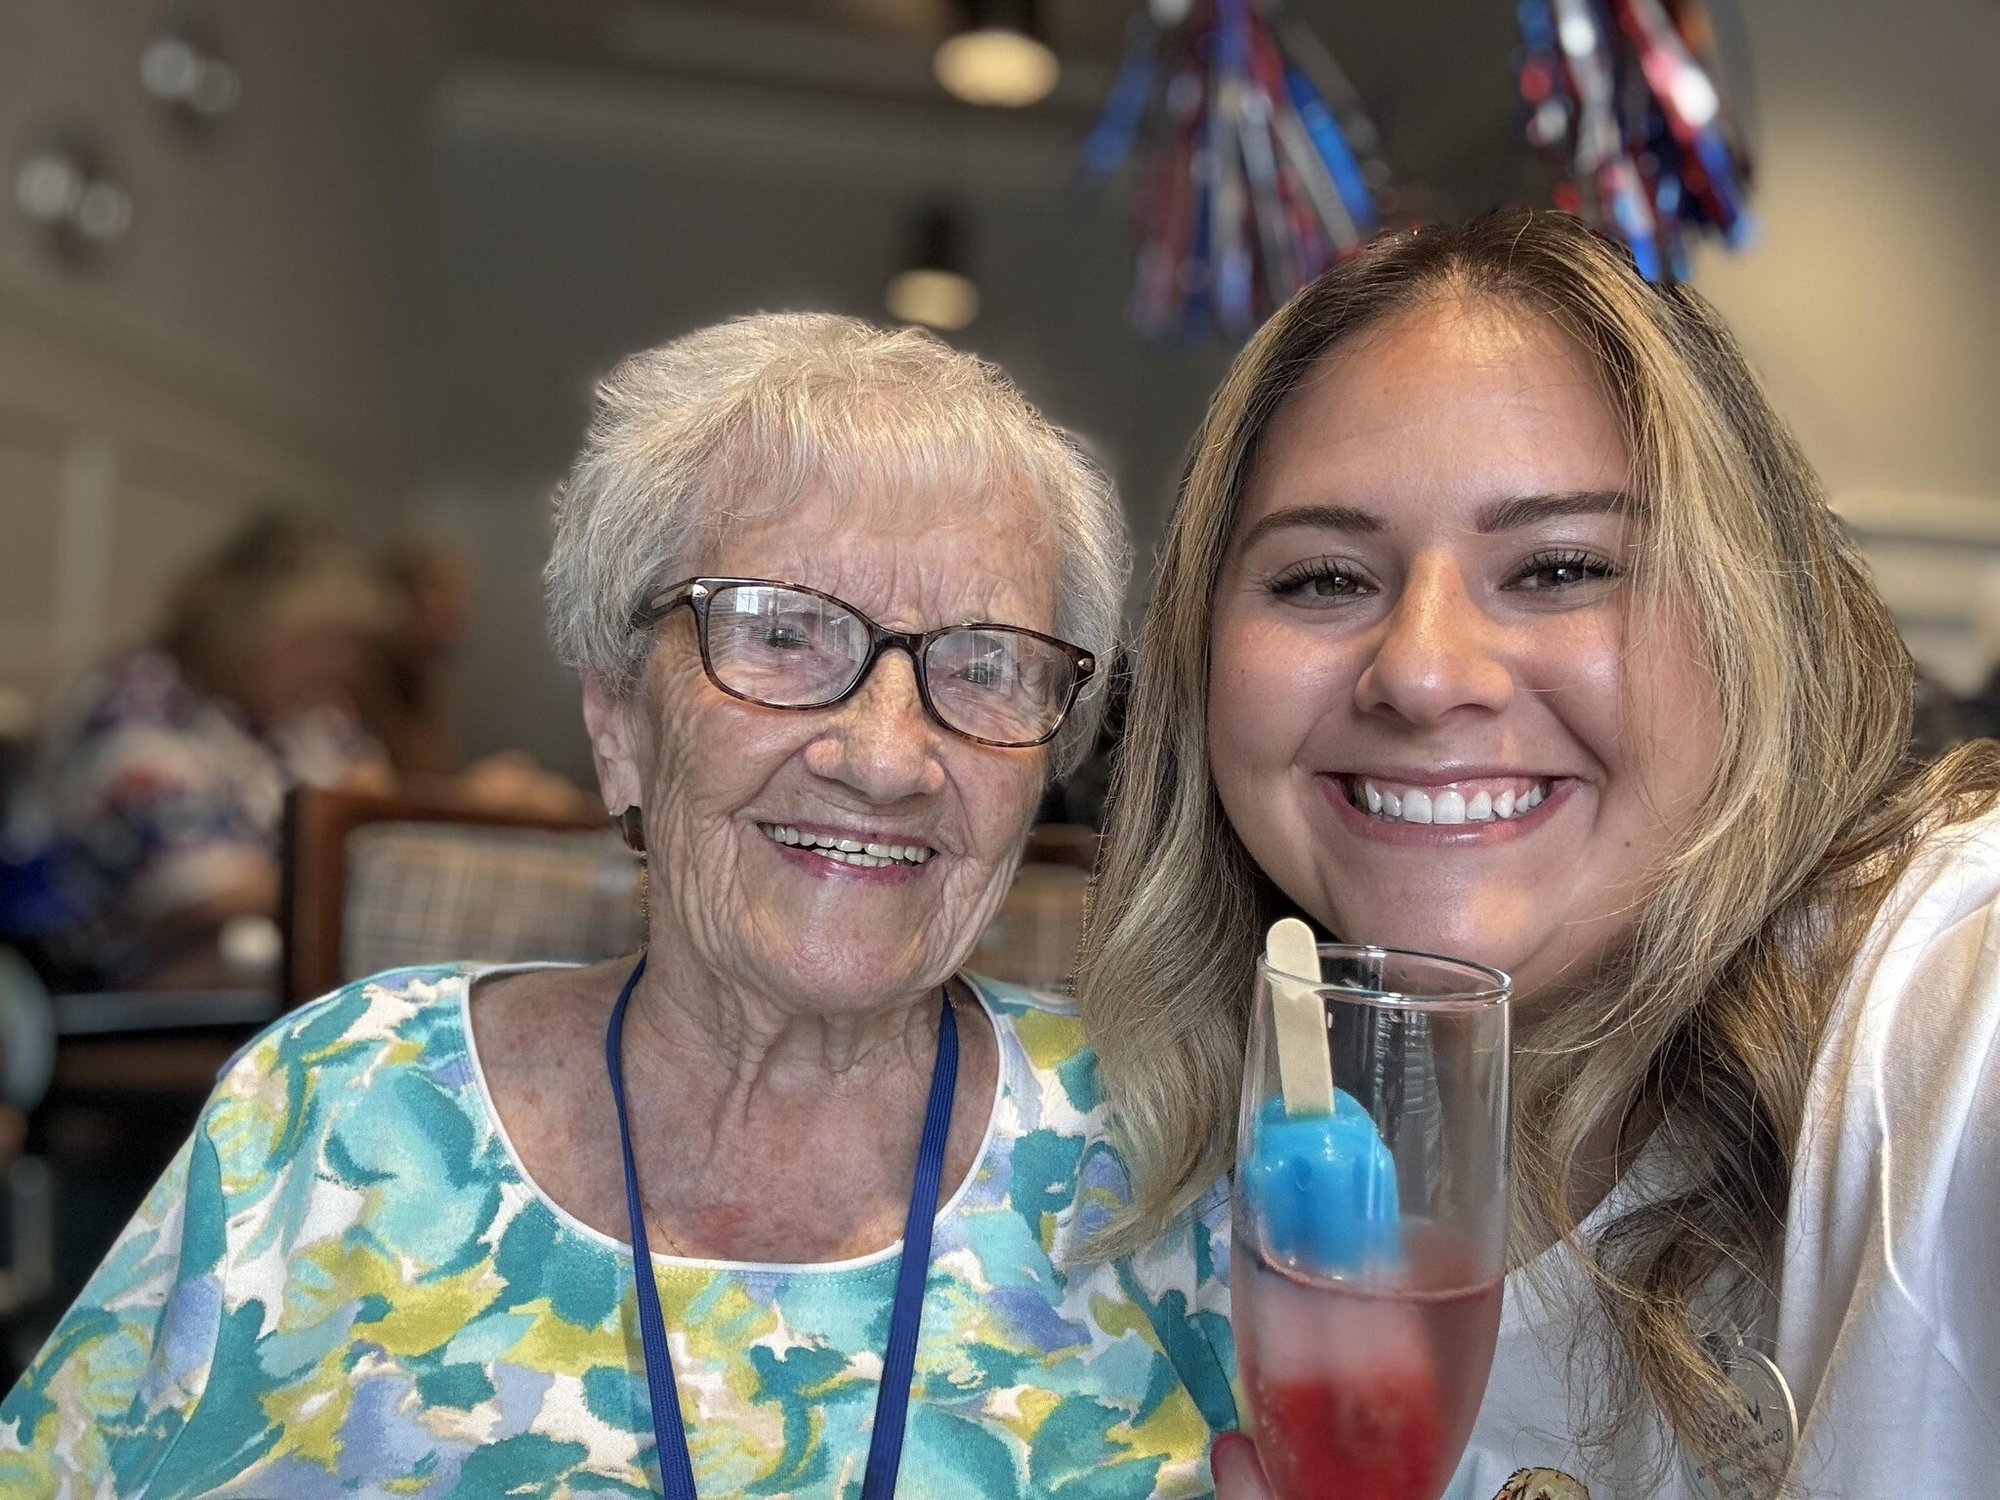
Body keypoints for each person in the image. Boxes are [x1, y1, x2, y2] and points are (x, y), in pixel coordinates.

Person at [0, 314, 1237, 1496]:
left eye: (981, 665)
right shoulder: (332, 1107)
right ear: (616, 728)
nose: (883, 757)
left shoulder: (1171, 1144)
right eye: (780, 634)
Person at [1077, 210, 2000, 1497]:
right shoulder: (1148, 1164)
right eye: (1323, 580)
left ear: (1755, 627)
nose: (1420, 671)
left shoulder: (1936, 996)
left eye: (1561, 567)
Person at [14, 513, 391, 988]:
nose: (337, 666)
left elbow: (374, 810)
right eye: (315, 643)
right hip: (121, 990)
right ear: (240, 626)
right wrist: (364, 838)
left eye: (347, 645)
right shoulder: (135, 701)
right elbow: (201, 898)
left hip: (254, 966)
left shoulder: (307, 714)